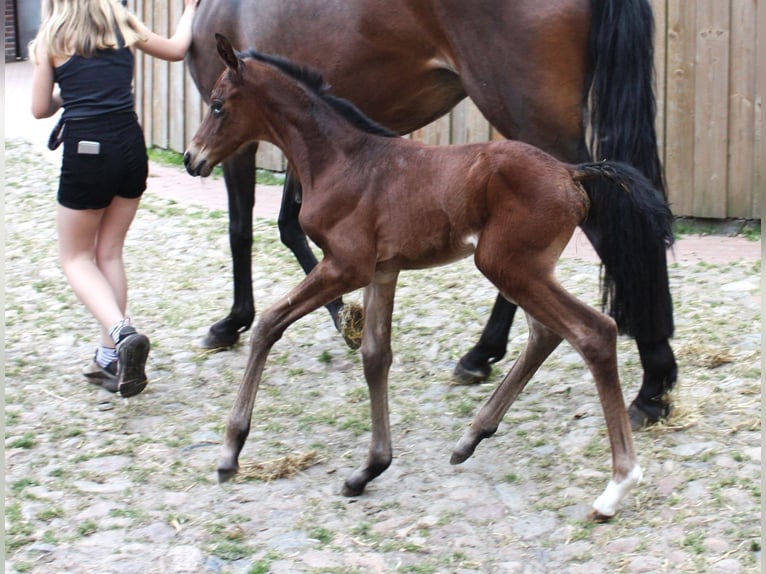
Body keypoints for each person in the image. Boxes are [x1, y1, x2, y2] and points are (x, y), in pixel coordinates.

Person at [30, 0, 200, 398]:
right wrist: (190, 10)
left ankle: (122, 333)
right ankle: (110, 359)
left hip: (87, 150)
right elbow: (177, 49)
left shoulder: (51, 38)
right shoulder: (123, 25)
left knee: (75, 257)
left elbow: (39, 109)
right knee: (109, 253)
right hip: (130, 146)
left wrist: (66, 93)